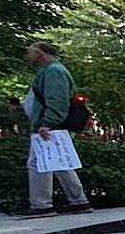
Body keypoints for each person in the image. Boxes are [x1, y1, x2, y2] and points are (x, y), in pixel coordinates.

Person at [22, 41, 91, 217]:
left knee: (39, 163)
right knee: (60, 163)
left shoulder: (53, 72)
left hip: (50, 126)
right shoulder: (53, 70)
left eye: (30, 52)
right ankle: (78, 201)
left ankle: (42, 205)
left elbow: (57, 100)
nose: (28, 56)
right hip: (54, 125)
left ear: (40, 53)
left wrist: (47, 123)